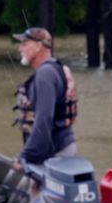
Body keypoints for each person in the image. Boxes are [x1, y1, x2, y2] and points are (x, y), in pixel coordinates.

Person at [14, 27, 78, 168]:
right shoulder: (54, 68)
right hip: (59, 148)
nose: (20, 49)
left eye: (24, 44)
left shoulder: (45, 75)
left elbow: (44, 119)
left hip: (55, 154)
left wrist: (26, 155)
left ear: (38, 46)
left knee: (25, 189)